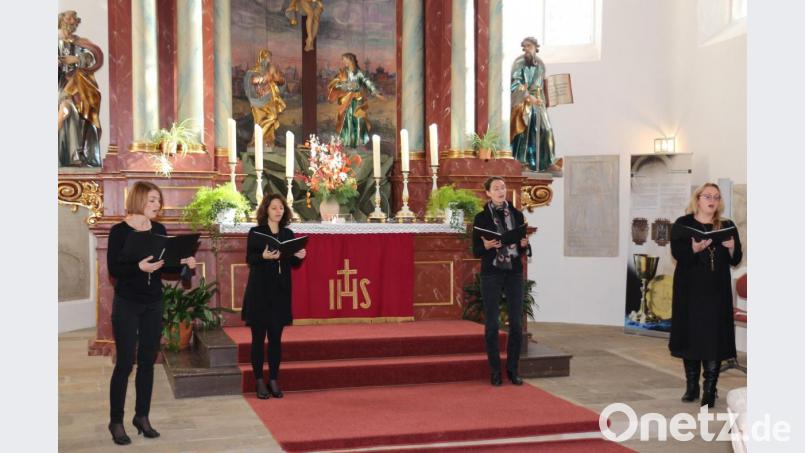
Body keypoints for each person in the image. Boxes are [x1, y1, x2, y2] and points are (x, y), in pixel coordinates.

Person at [106, 182, 196, 445]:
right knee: (125, 363)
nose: (158, 205)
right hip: (127, 303)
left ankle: (142, 416)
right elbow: (114, 269)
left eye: (159, 201)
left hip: (154, 302)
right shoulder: (119, 231)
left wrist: (182, 263)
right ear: (140, 200)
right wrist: (139, 268)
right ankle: (116, 421)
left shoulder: (159, 230)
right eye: (153, 200)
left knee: (147, 362)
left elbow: (163, 267)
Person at [669, 183, 742, 408]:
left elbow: (736, 258)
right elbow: (677, 252)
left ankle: (709, 389)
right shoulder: (684, 224)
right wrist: (694, 249)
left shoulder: (727, 225)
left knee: (713, 338)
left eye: (716, 197)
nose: (712, 200)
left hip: (716, 291)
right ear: (698, 199)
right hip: (689, 288)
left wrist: (731, 248)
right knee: (691, 335)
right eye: (708, 196)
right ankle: (692, 386)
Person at [242, 194, 307, 399]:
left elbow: (293, 263)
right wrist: (263, 256)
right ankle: (259, 380)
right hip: (259, 292)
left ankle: (274, 379)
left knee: (276, 339)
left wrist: (299, 256)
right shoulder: (256, 232)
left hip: (280, 291)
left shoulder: (288, 232)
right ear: (266, 210)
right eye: (274, 208)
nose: (278, 211)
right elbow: (250, 259)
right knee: (259, 338)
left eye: (281, 208)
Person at [472, 177, 531, 387]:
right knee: (492, 324)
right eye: (496, 188)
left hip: (513, 271)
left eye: (503, 187)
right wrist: (486, 246)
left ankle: (513, 370)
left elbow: (523, 247)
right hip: (492, 272)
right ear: (488, 193)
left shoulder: (516, 215)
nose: (500, 191)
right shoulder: (481, 218)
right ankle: (495, 371)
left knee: (516, 324)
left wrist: (523, 244)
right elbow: (476, 250)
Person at [510, 37, 562, 174]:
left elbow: (542, 84)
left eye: (529, 46)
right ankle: (521, 162)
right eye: (524, 46)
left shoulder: (540, 63)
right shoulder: (519, 62)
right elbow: (515, 82)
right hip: (524, 101)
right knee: (524, 132)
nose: (526, 49)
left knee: (546, 130)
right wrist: (528, 96)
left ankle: (548, 162)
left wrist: (547, 100)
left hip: (539, 102)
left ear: (535, 47)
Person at [59, 10, 104, 167]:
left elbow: (92, 57)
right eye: (68, 17)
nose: (71, 21)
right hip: (58, 84)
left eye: (74, 18)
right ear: (61, 20)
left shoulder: (80, 42)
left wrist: (76, 59)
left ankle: (75, 155)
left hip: (75, 85)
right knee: (67, 110)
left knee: (76, 111)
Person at [327, 52, 385, 148]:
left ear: (350, 60)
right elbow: (334, 85)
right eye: (342, 60)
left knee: (359, 120)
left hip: (357, 100)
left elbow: (368, 82)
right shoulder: (343, 73)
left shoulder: (359, 73)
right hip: (346, 101)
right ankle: (347, 142)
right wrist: (347, 85)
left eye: (344, 59)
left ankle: (358, 142)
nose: (343, 62)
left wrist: (376, 93)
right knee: (346, 120)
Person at [244, 49, 286, 147]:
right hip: (259, 100)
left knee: (272, 118)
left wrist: (276, 78)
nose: (268, 60)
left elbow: (281, 81)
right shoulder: (255, 70)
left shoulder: (271, 69)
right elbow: (252, 81)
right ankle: (256, 140)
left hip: (270, 99)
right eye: (266, 58)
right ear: (261, 58)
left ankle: (265, 140)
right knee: (269, 118)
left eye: (269, 58)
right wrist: (264, 79)